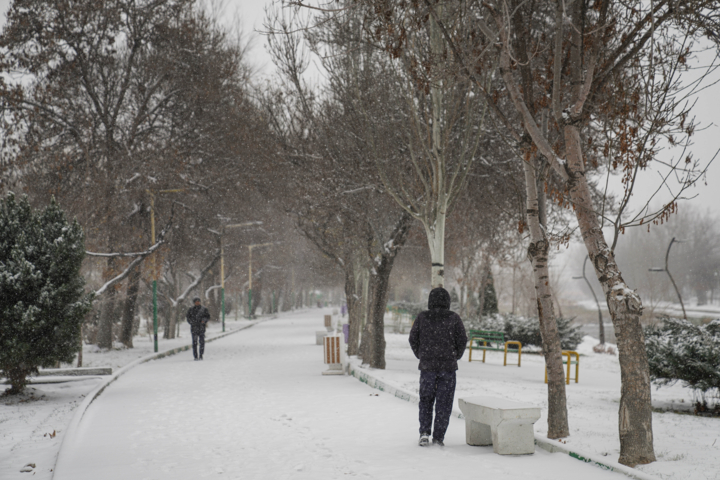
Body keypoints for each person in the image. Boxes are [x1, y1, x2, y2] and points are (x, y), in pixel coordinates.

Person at [408, 287, 468, 447]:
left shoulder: (422, 317)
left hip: (427, 367)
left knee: (426, 400)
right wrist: (455, 356)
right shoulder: (454, 318)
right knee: (444, 402)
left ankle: (424, 432)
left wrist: (421, 354)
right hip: (447, 368)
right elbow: (462, 339)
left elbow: (413, 338)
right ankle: (439, 436)